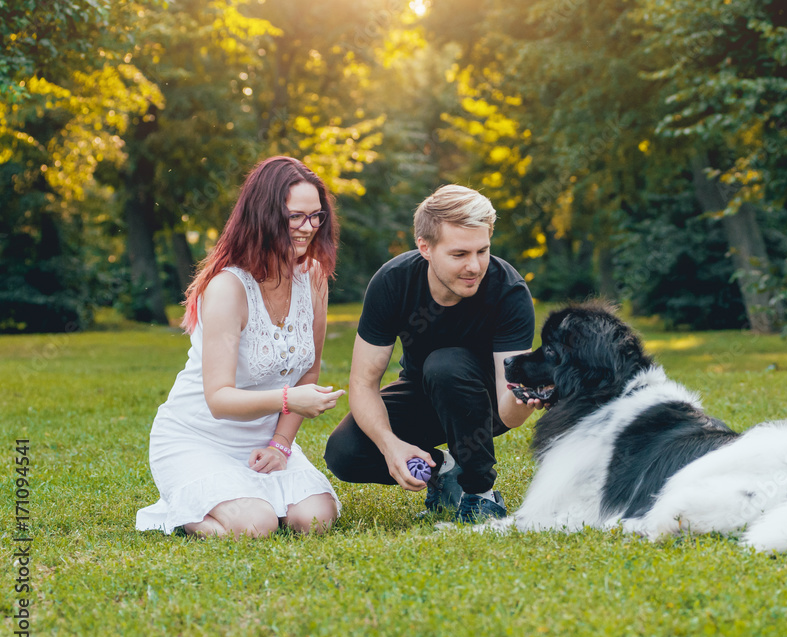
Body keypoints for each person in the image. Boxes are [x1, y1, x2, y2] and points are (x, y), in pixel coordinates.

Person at [136, 156, 345, 538]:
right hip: (198, 437)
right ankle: (180, 509)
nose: (308, 228)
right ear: (264, 215)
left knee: (314, 520)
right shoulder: (228, 288)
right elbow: (219, 398)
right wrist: (289, 399)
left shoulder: (313, 277)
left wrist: (281, 445)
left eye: (316, 216)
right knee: (256, 526)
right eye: (295, 217)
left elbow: (308, 372)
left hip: (263, 443)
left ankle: (252, 493)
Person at [324, 184, 542, 522]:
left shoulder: (508, 292)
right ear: (425, 247)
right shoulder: (393, 282)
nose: (474, 266)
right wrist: (390, 446)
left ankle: (480, 494)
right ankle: (444, 468)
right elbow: (363, 384)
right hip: (423, 391)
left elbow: (509, 414)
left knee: (447, 364)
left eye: (482, 251)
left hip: (486, 401)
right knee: (345, 453)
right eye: (459, 254)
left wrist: (523, 399)